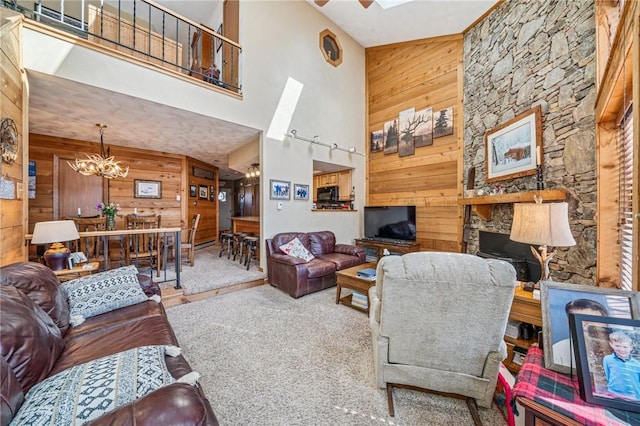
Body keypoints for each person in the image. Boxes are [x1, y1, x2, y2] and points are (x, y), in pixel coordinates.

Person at [552, 299, 608, 367]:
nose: (589, 326)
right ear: (570, 324)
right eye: (582, 321)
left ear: (606, 324)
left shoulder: (619, 350)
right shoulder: (558, 350)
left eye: (595, 321)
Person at [603, 331, 640, 400]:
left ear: (631, 348)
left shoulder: (637, 364)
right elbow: (608, 376)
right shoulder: (607, 359)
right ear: (611, 344)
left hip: (633, 397)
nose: (621, 349)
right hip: (614, 395)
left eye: (625, 347)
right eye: (617, 346)